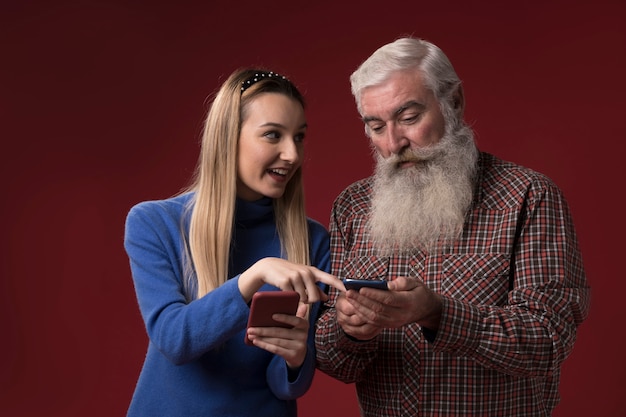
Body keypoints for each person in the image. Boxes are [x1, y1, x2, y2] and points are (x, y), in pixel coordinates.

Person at [315, 37, 591, 416]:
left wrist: (438, 314)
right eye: (376, 126)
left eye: (409, 118)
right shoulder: (353, 207)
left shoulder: (529, 196)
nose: (394, 143)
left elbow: (549, 340)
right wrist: (348, 331)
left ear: (454, 102)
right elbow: (336, 363)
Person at [124, 68, 345, 417]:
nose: (292, 154)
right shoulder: (153, 223)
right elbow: (174, 339)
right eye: (273, 135)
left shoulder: (313, 240)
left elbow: (286, 385)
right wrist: (252, 278)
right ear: (228, 138)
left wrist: (295, 358)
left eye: (299, 137)